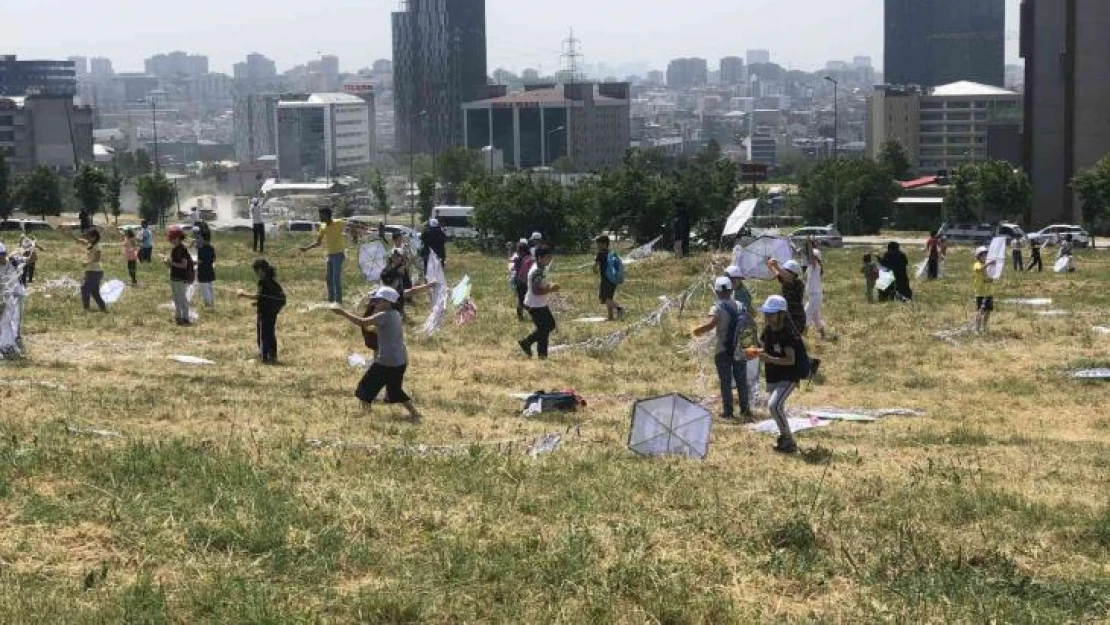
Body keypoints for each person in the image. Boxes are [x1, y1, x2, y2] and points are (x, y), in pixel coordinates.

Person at [331, 286, 423, 423]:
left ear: (387, 302)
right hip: (400, 360)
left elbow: (362, 322)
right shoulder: (395, 314)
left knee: (365, 388)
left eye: (378, 301)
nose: (374, 303)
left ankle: (367, 416)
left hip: (386, 361)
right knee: (394, 390)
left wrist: (342, 312)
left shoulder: (383, 315)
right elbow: (383, 329)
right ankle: (414, 413)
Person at [693, 276, 753, 420]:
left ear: (717, 291)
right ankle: (745, 410)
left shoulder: (717, 307)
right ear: (731, 289)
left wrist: (696, 331)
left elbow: (711, 325)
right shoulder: (740, 305)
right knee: (741, 381)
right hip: (740, 349)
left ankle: (728, 411)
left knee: (725, 381)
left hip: (723, 349)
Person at [757, 294, 807, 455]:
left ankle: (788, 440)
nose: (768, 317)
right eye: (766, 313)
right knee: (777, 407)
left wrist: (769, 358)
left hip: (789, 375)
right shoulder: (768, 330)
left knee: (774, 406)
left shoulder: (788, 334)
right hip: (774, 374)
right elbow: (764, 346)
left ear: (782, 314)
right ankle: (784, 438)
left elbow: (790, 360)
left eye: (771, 314)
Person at [237, 259, 286, 364]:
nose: (256, 274)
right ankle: (273, 355)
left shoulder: (262, 282)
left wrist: (243, 294)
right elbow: (267, 296)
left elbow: (258, 296)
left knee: (262, 334)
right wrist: (258, 303)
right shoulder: (272, 280)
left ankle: (264, 357)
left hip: (265, 312)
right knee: (270, 332)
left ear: (260, 270)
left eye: (256, 271)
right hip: (273, 310)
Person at [519, 245, 559, 360]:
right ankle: (532, 347)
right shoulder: (536, 272)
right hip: (534, 304)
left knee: (546, 327)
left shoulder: (539, 268)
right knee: (546, 328)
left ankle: (537, 351)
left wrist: (549, 286)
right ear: (539, 258)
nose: (549, 260)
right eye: (547, 257)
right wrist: (551, 289)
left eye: (550, 257)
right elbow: (537, 291)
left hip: (538, 303)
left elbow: (541, 284)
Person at [300, 208, 348, 303]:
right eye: (320, 215)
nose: (320, 217)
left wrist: (365, 230)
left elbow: (351, 225)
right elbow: (318, 242)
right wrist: (307, 248)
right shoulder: (323, 226)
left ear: (327, 215)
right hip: (330, 255)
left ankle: (338, 302)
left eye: (322, 215)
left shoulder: (338, 222)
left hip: (339, 254)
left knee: (336, 279)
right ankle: (331, 300)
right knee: (328, 279)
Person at [767, 258, 806, 335]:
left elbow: (789, 278)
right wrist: (770, 266)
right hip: (786, 316)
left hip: (796, 318)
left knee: (792, 337)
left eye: (785, 271)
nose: (782, 273)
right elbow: (777, 273)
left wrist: (777, 266)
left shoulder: (798, 283)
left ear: (794, 274)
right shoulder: (784, 280)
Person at [72, 229, 108, 313]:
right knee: (95, 292)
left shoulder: (97, 246)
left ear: (94, 237)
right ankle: (103, 308)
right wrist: (68, 233)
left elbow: (97, 258)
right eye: (87, 236)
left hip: (95, 271)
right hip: (91, 271)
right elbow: (78, 240)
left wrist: (87, 262)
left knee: (84, 288)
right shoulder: (90, 244)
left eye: (89, 236)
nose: (87, 237)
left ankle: (86, 309)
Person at [166, 227, 194, 325]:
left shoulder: (182, 249)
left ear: (178, 238)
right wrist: (169, 263)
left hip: (181, 278)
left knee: (182, 298)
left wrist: (171, 263)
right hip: (174, 277)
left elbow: (184, 265)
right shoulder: (175, 249)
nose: (170, 241)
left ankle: (186, 318)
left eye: (172, 239)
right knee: (175, 298)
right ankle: (178, 317)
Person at [594, 235, 625, 321]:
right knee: (609, 298)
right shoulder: (611, 253)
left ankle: (619, 309)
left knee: (604, 298)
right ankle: (610, 317)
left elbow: (595, 266)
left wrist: (595, 271)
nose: (598, 246)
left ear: (604, 244)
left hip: (606, 279)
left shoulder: (600, 253)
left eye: (599, 244)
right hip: (613, 279)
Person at [973, 246, 997, 334]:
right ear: (979, 256)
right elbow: (979, 269)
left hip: (989, 292)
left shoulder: (989, 266)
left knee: (988, 311)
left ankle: (984, 327)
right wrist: (989, 264)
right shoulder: (977, 264)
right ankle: (977, 329)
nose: (985, 256)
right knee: (980, 310)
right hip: (980, 293)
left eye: (986, 254)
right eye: (983, 255)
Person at [805, 248, 827, 340]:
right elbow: (805, 278)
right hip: (813, 296)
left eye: (812, 257)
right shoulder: (809, 268)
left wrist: (809, 243)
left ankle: (802, 337)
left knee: (805, 314)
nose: (809, 258)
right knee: (816, 318)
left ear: (816, 259)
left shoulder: (816, 266)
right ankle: (823, 335)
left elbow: (812, 256)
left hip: (815, 296)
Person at [509, 240, 532, 321]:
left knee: (522, 300)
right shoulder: (529, 258)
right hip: (524, 282)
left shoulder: (520, 259)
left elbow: (513, 269)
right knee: (524, 300)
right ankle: (524, 315)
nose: (517, 252)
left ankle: (521, 316)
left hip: (520, 281)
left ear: (522, 251)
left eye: (518, 250)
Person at [195, 223, 216, 309]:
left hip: (203, 271)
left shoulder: (201, 249)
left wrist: (193, 262)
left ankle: (208, 305)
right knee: (210, 288)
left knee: (204, 289)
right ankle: (212, 303)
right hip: (210, 270)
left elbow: (200, 261)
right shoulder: (211, 247)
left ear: (203, 238)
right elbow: (214, 259)